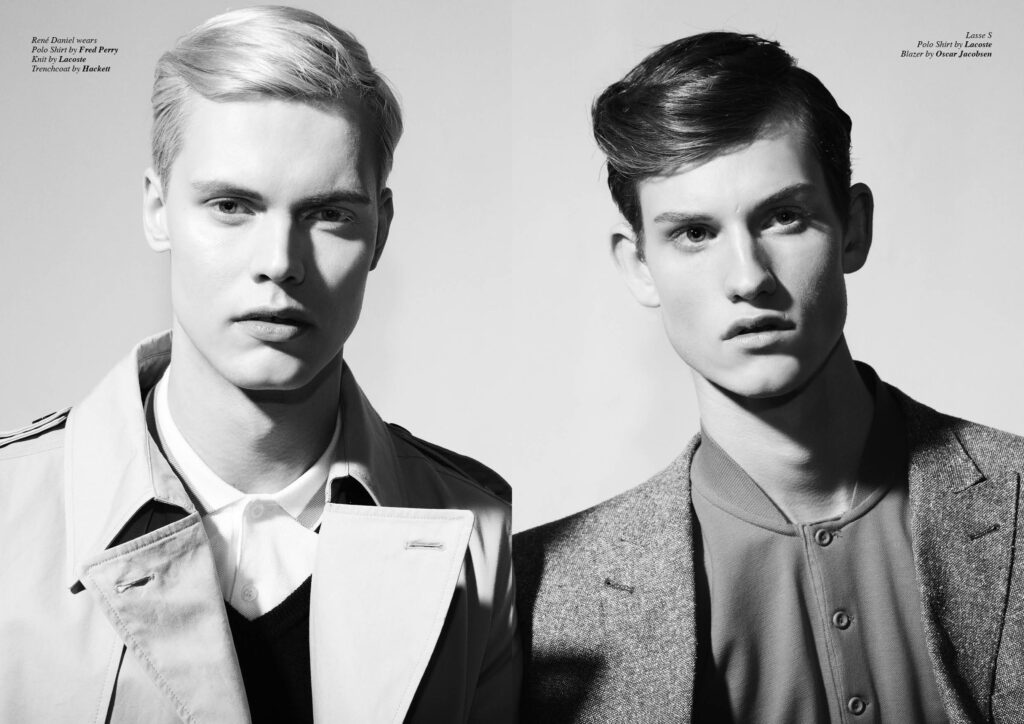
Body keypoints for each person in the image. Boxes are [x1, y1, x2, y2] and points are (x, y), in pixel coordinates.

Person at [0, 7, 519, 723]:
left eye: (330, 214)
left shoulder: (476, 529)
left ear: (381, 230)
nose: (279, 262)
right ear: (157, 209)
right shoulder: (12, 513)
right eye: (232, 206)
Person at [514, 31, 1023, 722]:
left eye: (784, 218)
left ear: (852, 228)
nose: (748, 277)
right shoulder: (537, 598)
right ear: (639, 267)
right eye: (694, 233)